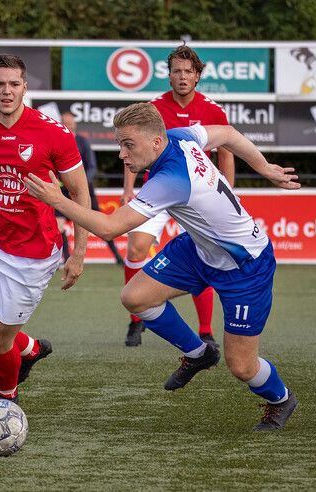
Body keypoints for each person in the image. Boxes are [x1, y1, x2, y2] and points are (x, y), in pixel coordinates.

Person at [24, 102, 302, 430]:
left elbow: (110, 228)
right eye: (119, 145)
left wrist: (57, 200)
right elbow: (227, 134)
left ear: (156, 142)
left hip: (245, 266)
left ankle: (281, 398)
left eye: (128, 145)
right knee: (135, 297)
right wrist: (264, 167)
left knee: (242, 367)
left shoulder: (171, 178)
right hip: (200, 249)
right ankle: (199, 353)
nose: (122, 156)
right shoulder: (180, 136)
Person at [0, 53, 90, 413]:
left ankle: (5, 396)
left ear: (25, 86)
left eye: (13, 84)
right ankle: (30, 348)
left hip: (35, 256)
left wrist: (78, 254)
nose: (6, 91)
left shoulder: (53, 134)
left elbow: (80, 194)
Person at [122, 44, 234, 348]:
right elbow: (134, 146)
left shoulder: (213, 109)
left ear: (197, 76)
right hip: (158, 188)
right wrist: (128, 187)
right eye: (177, 71)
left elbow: (226, 153)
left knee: (204, 255)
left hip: (198, 196)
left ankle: (206, 330)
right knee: (136, 249)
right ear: (169, 75)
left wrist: (229, 193)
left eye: (188, 71)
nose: (182, 76)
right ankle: (136, 322)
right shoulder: (152, 109)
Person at [59, 111, 123, 266]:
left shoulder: (82, 142)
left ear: (75, 124)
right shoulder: (57, 141)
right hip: (63, 192)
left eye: (70, 123)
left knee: (99, 224)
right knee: (58, 224)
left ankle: (118, 258)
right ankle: (67, 258)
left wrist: (81, 184)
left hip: (84, 190)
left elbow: (92, 166)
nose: (68, 125)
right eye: (64, 122)